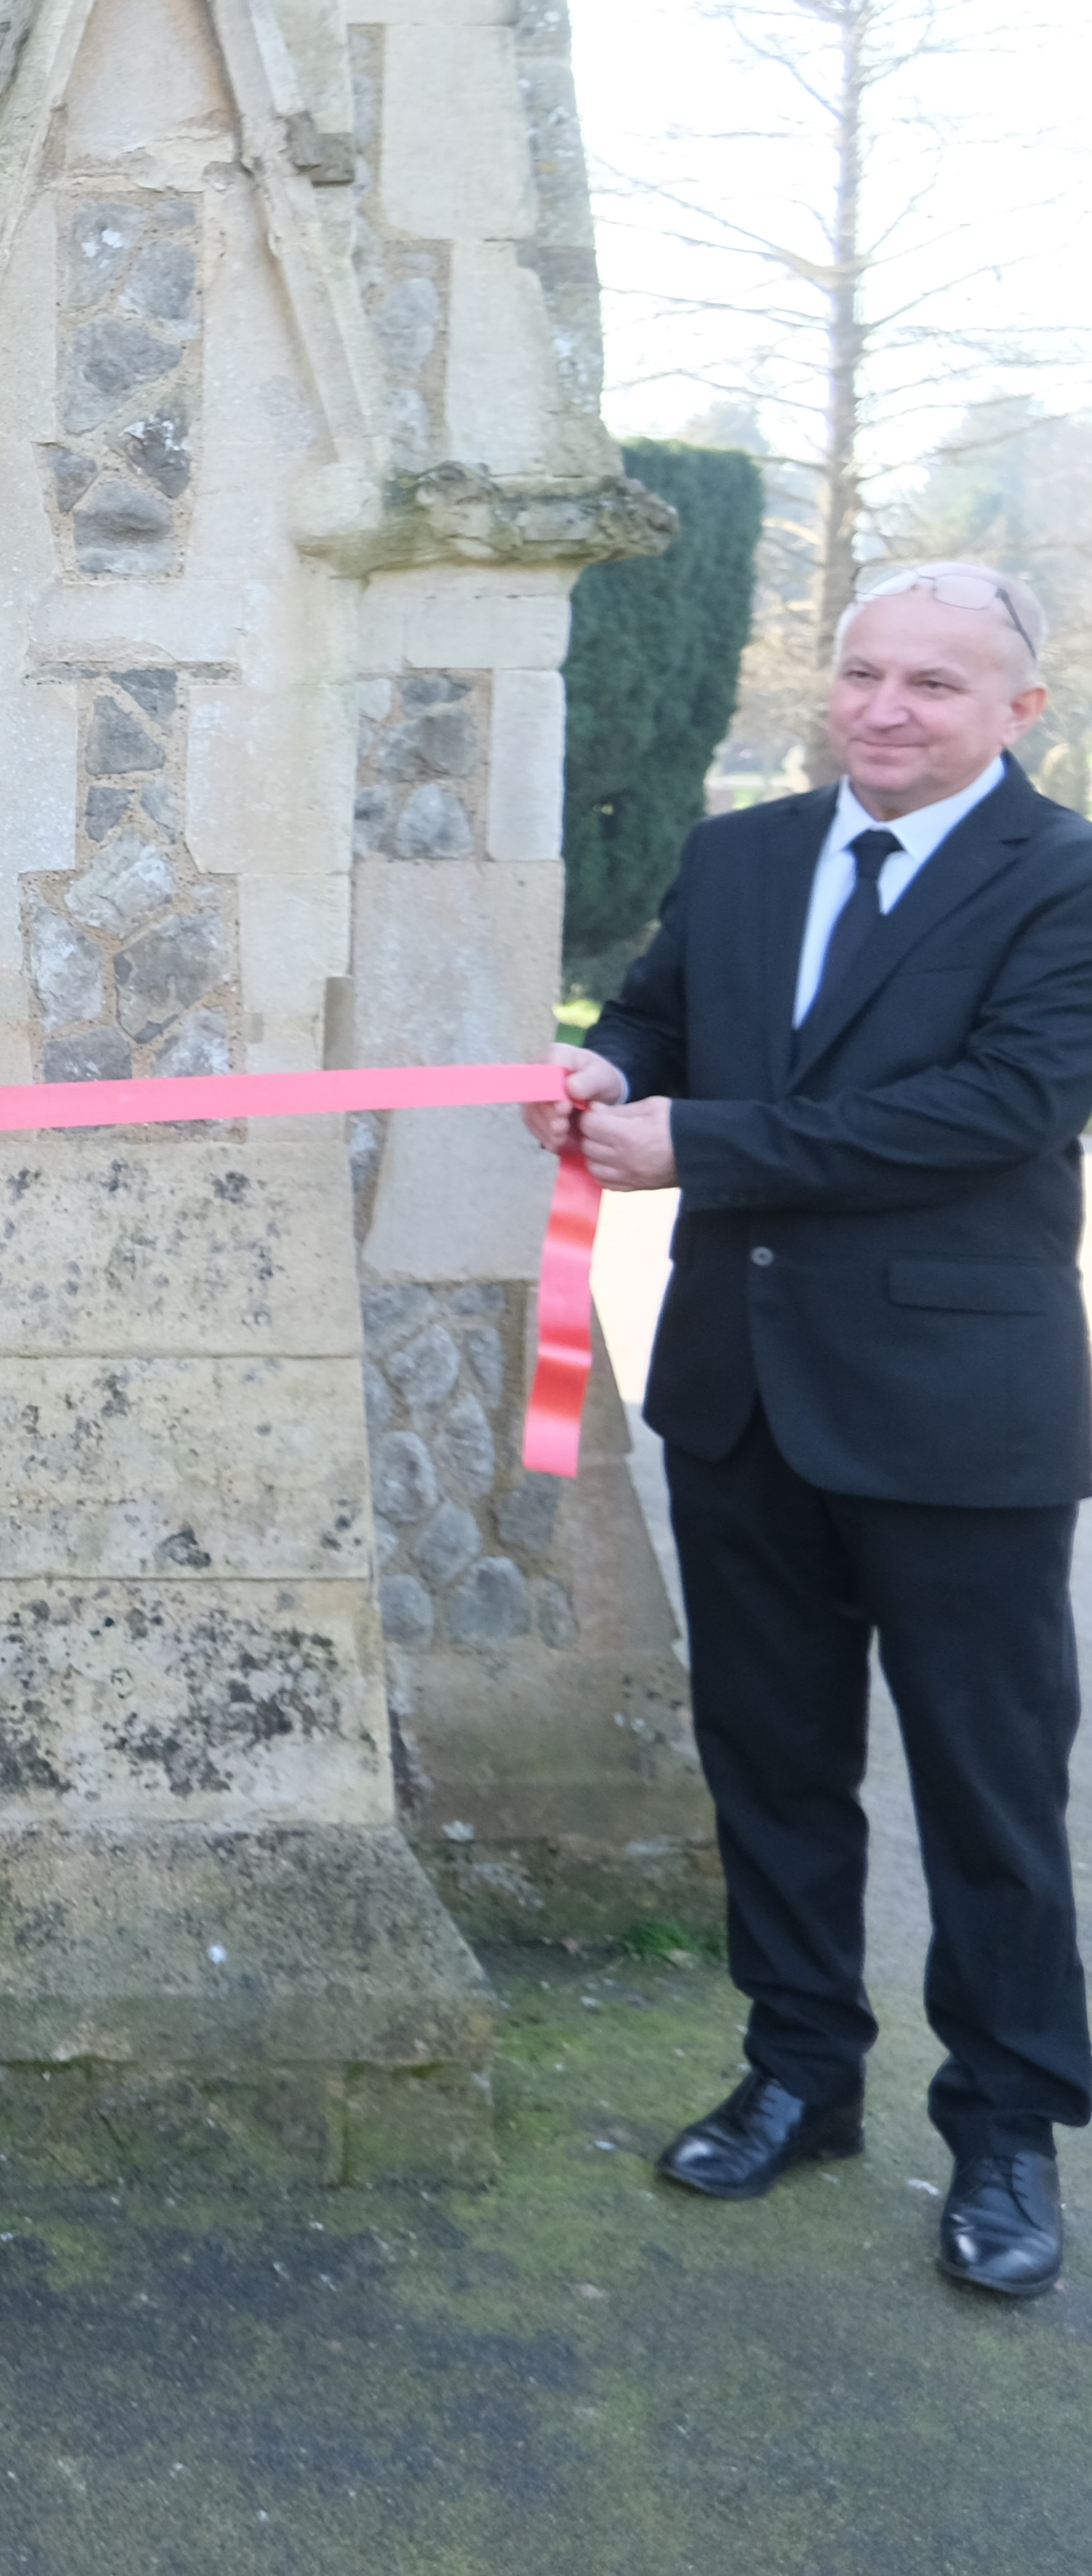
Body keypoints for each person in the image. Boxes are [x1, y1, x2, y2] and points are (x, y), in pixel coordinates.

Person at [535, 559, 1092, 2297]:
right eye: (859, 670)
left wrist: (700, 1141)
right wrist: (613, 1074)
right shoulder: (743, 855)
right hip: (738, 1393)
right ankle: (798, 2072)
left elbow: (1000, 1106)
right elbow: (651, 1012)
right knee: (768, 1763)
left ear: (1020, 710)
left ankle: (1002, 2126)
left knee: (985, 1789)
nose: (879, 706)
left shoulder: (1064, 880)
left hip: (955, 1417)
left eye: (931, 682)